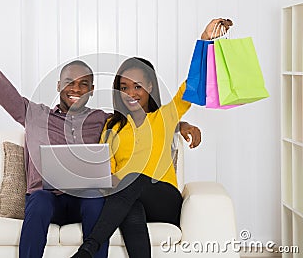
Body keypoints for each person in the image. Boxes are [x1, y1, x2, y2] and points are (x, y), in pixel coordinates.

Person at [0, 13, 203, 258]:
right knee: (38, 200)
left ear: (92, 90)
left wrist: (179, 124)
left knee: (95, 199)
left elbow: (142, 120)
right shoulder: (33, 114)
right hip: (47, 200)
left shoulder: (103, 121)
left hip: (85, 200)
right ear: (58, 86)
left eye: (84, 84)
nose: (76, 88)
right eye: (70, 82)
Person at [71, 19, 233, 258]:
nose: (130, 94)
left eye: (137, 87)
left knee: (134, 180)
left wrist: (205, 41)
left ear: (149, 86)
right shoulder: (111, 126)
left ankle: (87, 250)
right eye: (123, 87)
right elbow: (108, 171)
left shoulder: (165, 117)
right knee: (132, 209)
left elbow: (192, 85)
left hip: (164, 199)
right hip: (127, 198)